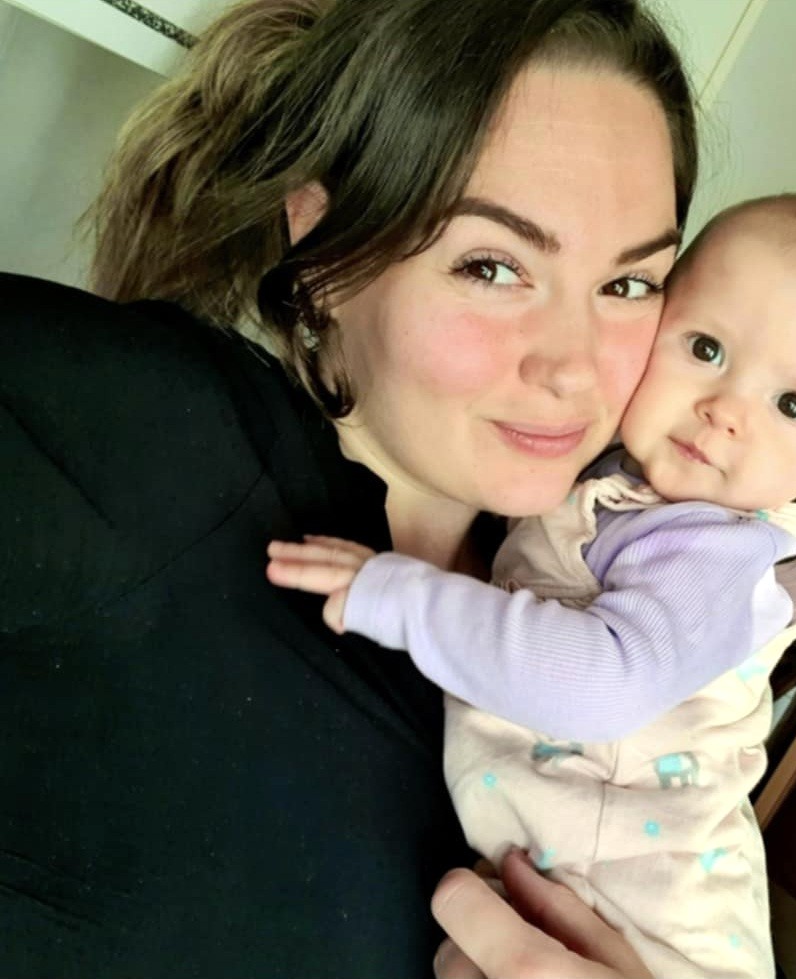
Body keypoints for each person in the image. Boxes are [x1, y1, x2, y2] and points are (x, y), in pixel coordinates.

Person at [0, 0, 698, 975]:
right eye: (492, 266)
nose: (576, 368)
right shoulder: (144, 440)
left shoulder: (618, 595)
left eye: (628, 285)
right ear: (327, 254)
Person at [266, 192, 796, 977]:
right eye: (706, 347)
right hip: (575, 886)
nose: (724, 410)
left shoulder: (716, 553)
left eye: (791, 403)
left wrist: (399, 597)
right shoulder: (621, 484)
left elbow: (600, 682)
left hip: (655, 924)